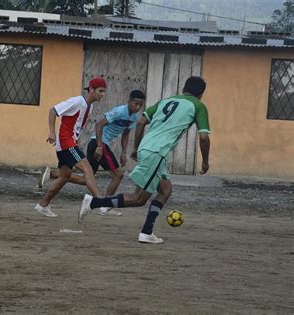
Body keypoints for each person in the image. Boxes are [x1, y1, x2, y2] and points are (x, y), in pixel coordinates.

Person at [79, 76, 211, 244]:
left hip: (149, 149)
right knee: (138, 198)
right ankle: (94, 203)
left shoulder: (166, 101)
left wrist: (136, 148)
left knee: (165, 190)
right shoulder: (198, 106)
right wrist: (205, 162)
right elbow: (204, 138)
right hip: (157, 152)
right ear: (200, 94)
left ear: (184, 88)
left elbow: (141, 122)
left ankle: (147, 231)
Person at [39, 90, 146, 216]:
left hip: (95, 144)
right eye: (135, 104)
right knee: (117, 174)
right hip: (98, 144)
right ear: (129, 101)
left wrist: (123, 152)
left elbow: (125, 134)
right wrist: (100, 146)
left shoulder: (134, 117)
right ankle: (105, 204)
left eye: (140, 105)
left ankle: (52, 177)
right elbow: (99, 125)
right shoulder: (119, 111)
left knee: (87, 179)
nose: (137, 107)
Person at [34, 77, 107, 219]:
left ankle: (43, 205)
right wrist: (51, 132)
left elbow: (76, 125)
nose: (102, 94)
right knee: (87, 168)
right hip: (65, 143)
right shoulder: (77, 101)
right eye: (100, 91)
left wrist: (77, 140)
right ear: (91, 89)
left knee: (65, 176)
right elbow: (53, 110)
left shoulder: (89, 106)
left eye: (104, 91)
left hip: (70, 142)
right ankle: (101, 202)